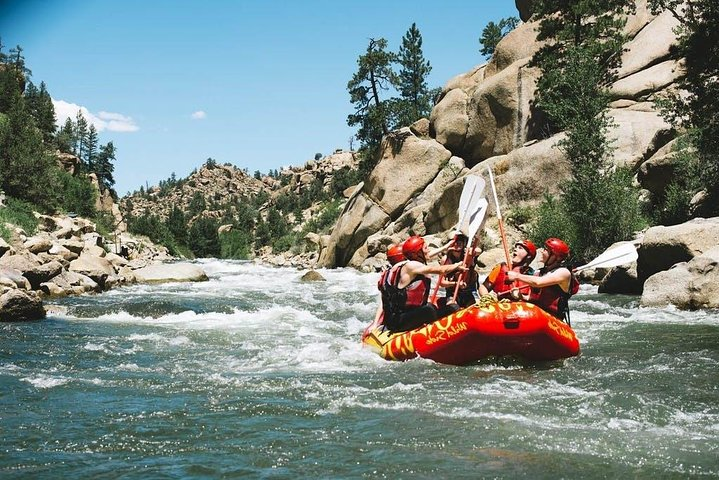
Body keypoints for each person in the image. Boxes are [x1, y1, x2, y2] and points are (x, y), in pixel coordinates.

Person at [379, 235, 466, 333]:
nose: (429, 250)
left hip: (403, 316)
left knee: (443, 307)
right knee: (429, 310)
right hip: (399, 322)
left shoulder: (401, 266)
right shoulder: (411, 266)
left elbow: (427, 255)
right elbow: (441, 270)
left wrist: (445, 247)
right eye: (426, 248)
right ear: (417, 253)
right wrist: (457, 266)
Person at [505, 237, 579, 323]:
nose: (542, 251)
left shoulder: (563, 272)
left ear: (555, 256)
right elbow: (532, 298)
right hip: (537, 316)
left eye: (546, 250)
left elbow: (538, 282)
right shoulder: (539, 272)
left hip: (554, 320)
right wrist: (521, 296)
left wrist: (517, 276)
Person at [437, 234, 479, 308]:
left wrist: (471, 250)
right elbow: (441, 282)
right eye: (455, 242)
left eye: (460, 242)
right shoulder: (446, 260)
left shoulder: (468, 256)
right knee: (452, 308)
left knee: (474, 309)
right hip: (452, 293)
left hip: (468, 293)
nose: (457, 244)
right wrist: (456, 284)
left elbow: (478, 251)